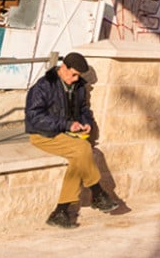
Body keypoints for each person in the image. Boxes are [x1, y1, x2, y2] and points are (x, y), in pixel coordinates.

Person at [26, 52, 121, 228]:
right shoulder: (43, 86)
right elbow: (34, 116)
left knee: (80, 157)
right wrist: (66, 124)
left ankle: (60, 212)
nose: (76, 78)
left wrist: (86, 123)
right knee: (83, 149)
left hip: (68, 135)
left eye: (78, 75)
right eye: (74, 74)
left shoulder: (78, 87)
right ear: (63, 68)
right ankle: (97, 192)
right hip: (44, 134)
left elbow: (84, 109)